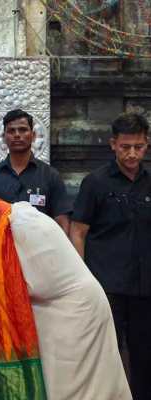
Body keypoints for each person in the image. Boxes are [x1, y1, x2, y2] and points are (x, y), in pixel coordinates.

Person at [0, 199, 131, 400]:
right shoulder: (5, 224)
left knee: (75, 387)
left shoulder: (24, 225)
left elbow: (34, 283)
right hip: (57, 311)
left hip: (77, 312)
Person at [69, 112, 151, 400]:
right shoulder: (96, 183)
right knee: (107, 355)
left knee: (145, 357)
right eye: (125, 146)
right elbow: (78, 231)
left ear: (147, 145)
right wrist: (81, 282)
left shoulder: (149, 182)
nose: (131, 153)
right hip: (106, 287)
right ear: (113, 144)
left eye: (138, 147)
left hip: (145, 288)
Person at [0, 109, 70, 232]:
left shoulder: (50, 176)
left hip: (39, 248)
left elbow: (62, 221)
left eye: (23, 130)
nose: (17, 135)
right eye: (11, 131)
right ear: (4, 137)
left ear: (33, 135)